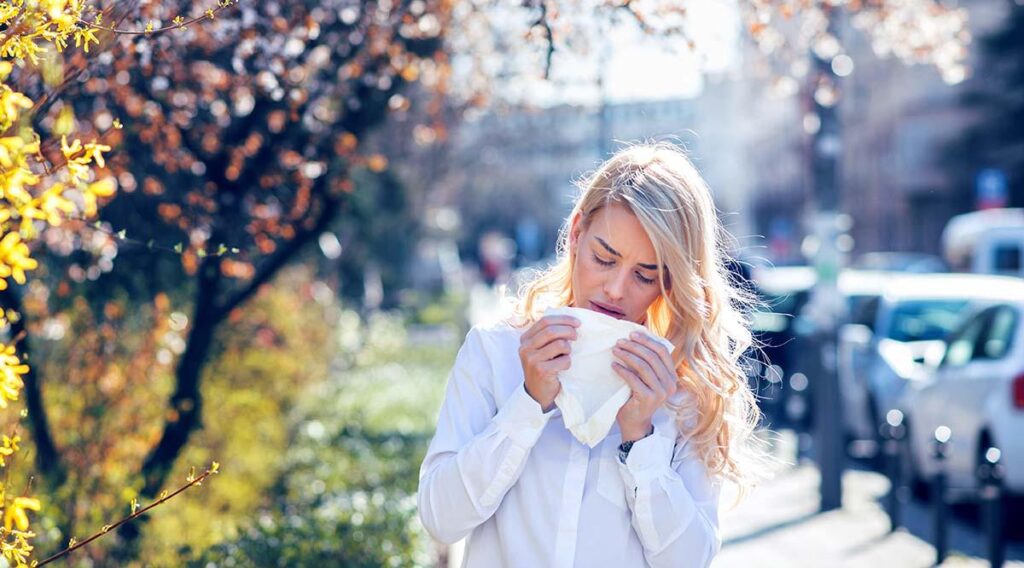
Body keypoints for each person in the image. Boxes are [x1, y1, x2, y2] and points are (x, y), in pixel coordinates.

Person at [417, 143, 764, 567]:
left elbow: (690, 561)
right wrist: (527, 403)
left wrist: (640, 438)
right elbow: (441, 520)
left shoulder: (682, 392)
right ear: (577, 234)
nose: (617, 289)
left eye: (644, 275)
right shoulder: (496, 352)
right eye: (604, 258)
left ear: (669, 284)